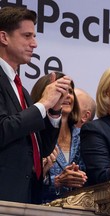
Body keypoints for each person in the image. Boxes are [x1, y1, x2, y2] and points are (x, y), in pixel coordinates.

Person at [0, 6, 71, 204]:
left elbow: (43, 148)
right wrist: (43, 103)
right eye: (27, 36)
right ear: (4, 37)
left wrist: (54, 110)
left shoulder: (20, 88)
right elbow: (3, 129)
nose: (35, 44)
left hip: (25, 195)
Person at [31, 72, 88, 203]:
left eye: (70, 91)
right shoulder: (34, 135)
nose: (67, 96)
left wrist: (80, 177)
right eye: (60, 90)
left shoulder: (85, 135)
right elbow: (24, 183)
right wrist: (56, 182)